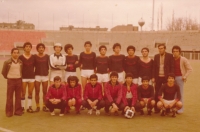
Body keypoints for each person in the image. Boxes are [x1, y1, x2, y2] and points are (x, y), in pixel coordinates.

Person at [1, 48, 23, 117]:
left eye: (17, 53)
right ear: (11, 53)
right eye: (14, 53)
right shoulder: (7, 62)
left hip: (19, 80)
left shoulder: (20, 62)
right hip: (11, 81)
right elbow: (3, 72)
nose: (16, 54)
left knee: (18, 96)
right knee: (9, 97)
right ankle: (9, 112)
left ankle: (18, 111)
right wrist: (9, 77)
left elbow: (21, 71)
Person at [153, 43, 174, 113]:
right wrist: (153, 77)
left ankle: (167, 108)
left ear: (165, 49)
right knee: (157, 92)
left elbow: (172, 67)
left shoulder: (170, 56)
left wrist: (170, 77)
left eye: (162, 48)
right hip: (158, 77)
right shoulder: (156, 56)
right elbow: (154, 68)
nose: (160, 50)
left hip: (166, 77)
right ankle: (157, 108)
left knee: (167, 92)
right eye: (159, 48)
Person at [172, 45, 192, 114]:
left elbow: (190, 69)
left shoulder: (183, 59)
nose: (175, 53)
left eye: (177, 51)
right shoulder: (171, 59)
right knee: (172, 94)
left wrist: (185, 76)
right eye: (174, 51)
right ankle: (173, 108)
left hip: (180, 78)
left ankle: (180, 109)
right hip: (171, 79)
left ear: (179, 52)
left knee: (179, 94)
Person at [19, 42, 35, 113]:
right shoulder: (21, 57)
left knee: (30, 92)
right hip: (23, 77)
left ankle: (29, 107)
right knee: (23, 93)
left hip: (31, 77)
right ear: (24, 48)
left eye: (29, 46)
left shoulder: (33, 57)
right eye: (26, 46)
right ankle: (22, 107)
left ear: (31, 48)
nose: (28, 48)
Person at [34, 43, 49, 112]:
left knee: (45, 92)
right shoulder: (34, 56)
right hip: (37, 75)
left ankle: (44, 106)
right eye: (39, 47)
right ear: (37, 49)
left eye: (42, 47)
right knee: (37, 91)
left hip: (45, 76)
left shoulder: (47, 56)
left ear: (44, 49)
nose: (41, 49)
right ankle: (37, 106)